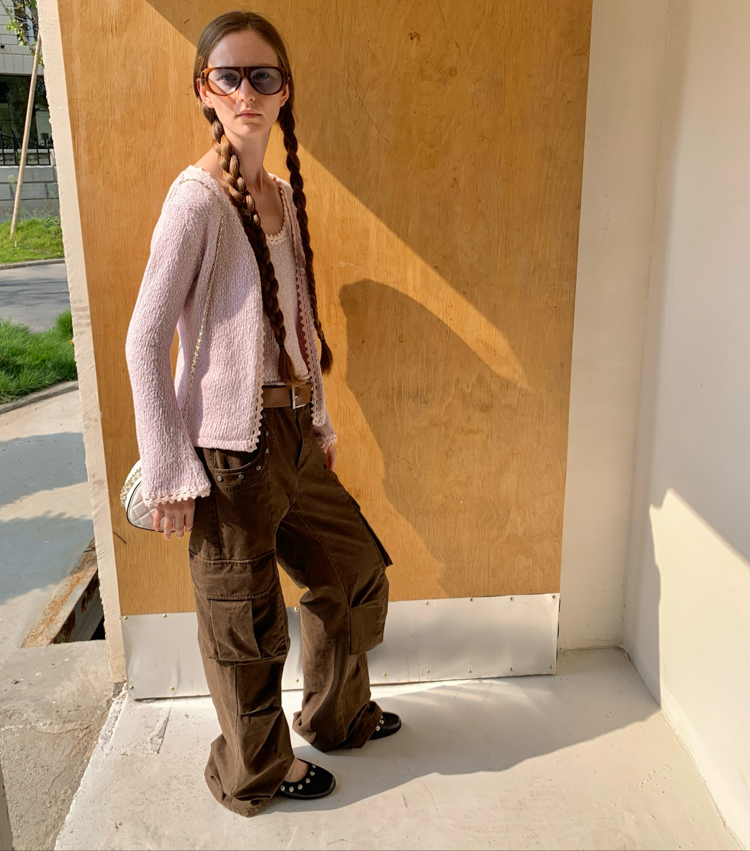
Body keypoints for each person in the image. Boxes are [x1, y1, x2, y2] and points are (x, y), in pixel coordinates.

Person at [124, 9, 399, 818]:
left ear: (284, 91)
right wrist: (171, 470)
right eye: (230, 76)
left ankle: (338, 716)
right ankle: (255, 771)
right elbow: (144, 340)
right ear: (205, 90)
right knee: (244, 624)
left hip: (293, 434)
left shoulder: (281, 194)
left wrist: (319, 424)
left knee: (353, 571)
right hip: (225, 453)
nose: (247, 91)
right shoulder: (196, 201)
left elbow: (298, 324)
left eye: (263, 76)